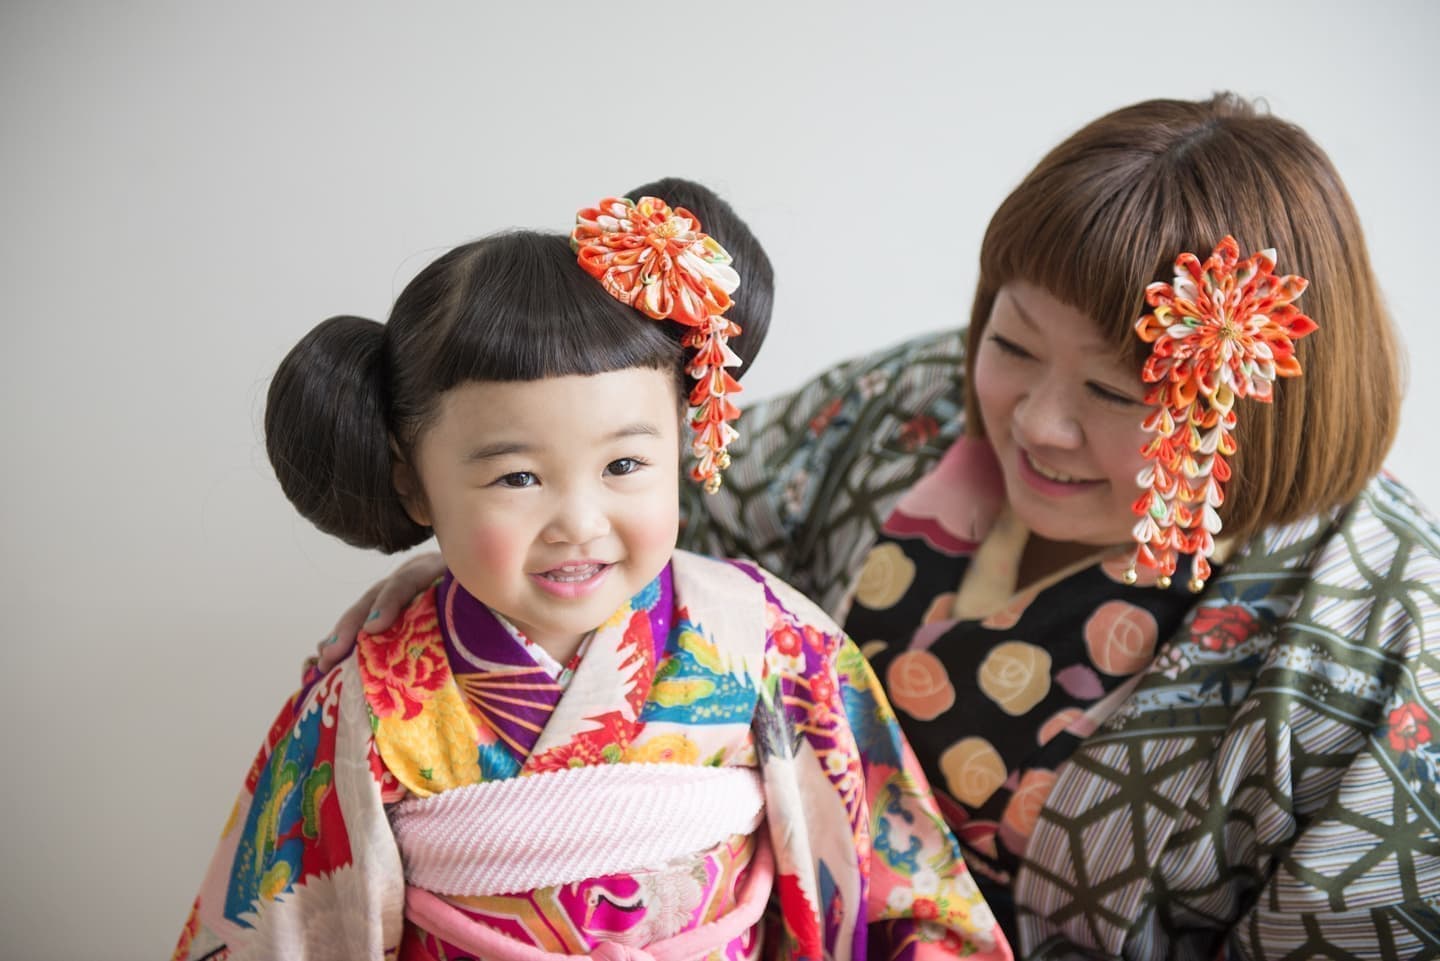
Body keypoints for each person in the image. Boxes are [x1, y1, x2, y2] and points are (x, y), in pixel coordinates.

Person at [328, 97, 1440, 959]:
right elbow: (640, 501)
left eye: (1114, 390)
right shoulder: (909, 407)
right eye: (1011, 343)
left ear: (1255, 399)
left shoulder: (1382, 633)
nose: (1038, 422)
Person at [173, 182, 1010, 961]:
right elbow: (275, 929)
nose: (579, 521)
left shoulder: (769, 642)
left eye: (624, 465)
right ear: (413, 483)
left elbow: (903, 882)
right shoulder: (368, 699)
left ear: (683, 441)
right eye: (517, 477)